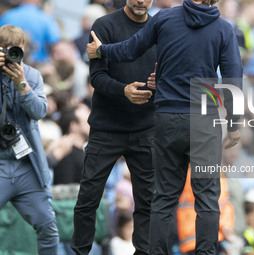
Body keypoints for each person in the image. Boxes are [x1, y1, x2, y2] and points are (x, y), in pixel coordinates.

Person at [87, 0, 243, 253]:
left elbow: (129, 50)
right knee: (207, 199)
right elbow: (233, 77)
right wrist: (234, 124)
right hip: (204, 121)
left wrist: (102, 51)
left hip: (167, 118)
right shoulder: (224, 29)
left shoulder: (165, 19)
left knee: (163, 198)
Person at [70, 0, 157, 254]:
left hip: (146, 128)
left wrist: (159, 82)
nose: (141, 0)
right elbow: (96, 77)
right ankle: (81, 251)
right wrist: (124, 91)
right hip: (107, 128)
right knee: (88, 198)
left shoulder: (159, 29)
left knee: (147, 202)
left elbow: (171, 75)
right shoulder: (104, 25)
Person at [0, 25, 59, 254]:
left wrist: (22, 85)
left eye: (16, 49)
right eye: (5, 49)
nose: (11, 54)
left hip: (27, 165)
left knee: (47, 226)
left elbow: (39, 112)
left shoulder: (32, 75)